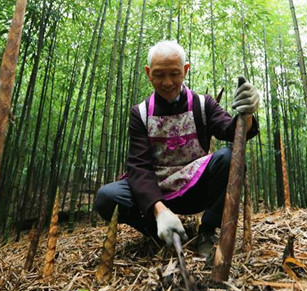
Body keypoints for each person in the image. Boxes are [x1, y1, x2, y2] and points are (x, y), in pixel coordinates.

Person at [94, 40, 260, 256]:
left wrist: (247, 113)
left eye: (174, 74)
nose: (167, 82)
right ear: (148, 73)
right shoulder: (140, 113)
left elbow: (231, 132)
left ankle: (207, 231)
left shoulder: (203, 104)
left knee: (229, 158)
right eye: (159, 74)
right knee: (107, 197)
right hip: (154, 191)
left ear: (185, 70)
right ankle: (159, 232)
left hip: (194, 188)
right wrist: (160, 211)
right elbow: (139, 166)